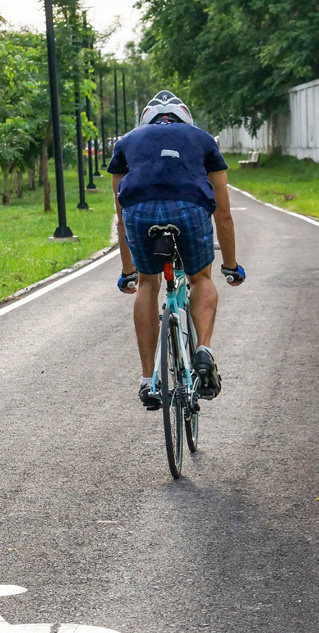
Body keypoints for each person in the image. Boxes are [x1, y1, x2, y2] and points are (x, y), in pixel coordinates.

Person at [107, 90, 246, 410]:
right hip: (189, 209)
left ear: (146, 122)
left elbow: (121, 217)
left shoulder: (126, 142)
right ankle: (204, 351)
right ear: (186, 119)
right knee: (200, 279)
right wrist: (230, 266)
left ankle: (148, 381)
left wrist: (128, 273)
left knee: (147, 283)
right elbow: (223, 213)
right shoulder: (202, 140)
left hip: (139, 214)